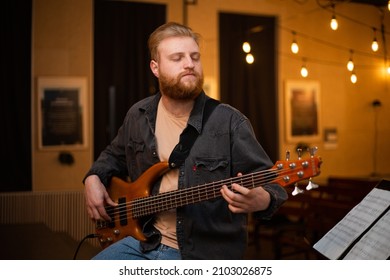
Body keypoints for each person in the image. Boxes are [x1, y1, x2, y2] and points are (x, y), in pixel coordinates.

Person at [83, 21, 288, 260]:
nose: (190, 64)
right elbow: (112, 156)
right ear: (155, 67)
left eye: (194, 57)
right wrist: (93, 177)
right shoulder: (138, 116)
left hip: (201, 254)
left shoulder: (230, 122)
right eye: (177, 58)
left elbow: (274, 183)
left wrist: (261, 199)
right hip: (143, 241)